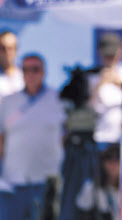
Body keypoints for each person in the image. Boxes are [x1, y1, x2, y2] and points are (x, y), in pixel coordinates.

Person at [0, 53, 67, 220]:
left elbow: (66, 137)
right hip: (14, 181)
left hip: (47, 182)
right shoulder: (8, 102)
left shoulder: (58, 99)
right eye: (25, 69)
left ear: (44, 72)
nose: (30, 74)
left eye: (35, 69)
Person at [88, 32, 122, 147]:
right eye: (107, 55)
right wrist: (99, 84)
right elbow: (89, 108)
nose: (110, 58)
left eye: (112, 54)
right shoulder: (92, 76)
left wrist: (121, 85)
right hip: (100, 136)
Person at [75, 143, 121, 220]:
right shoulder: (91, 188)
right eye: (108, 158)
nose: (113, 164)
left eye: (118, 158)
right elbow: (81, 215)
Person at [0, 30, 23, 99]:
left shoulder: (26, 77)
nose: (7, 52)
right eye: (3, 48)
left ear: (16, 50)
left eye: (10, 48)